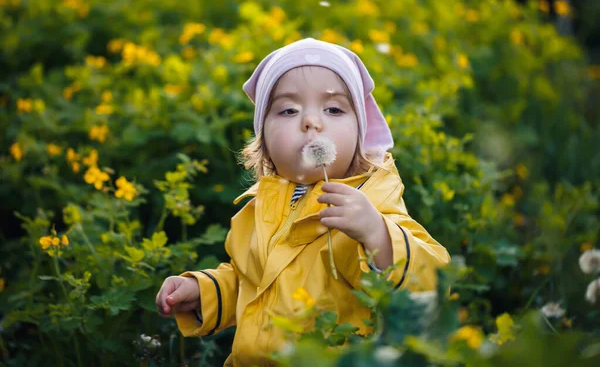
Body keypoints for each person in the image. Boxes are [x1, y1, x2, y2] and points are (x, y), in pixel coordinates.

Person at [156, 38, 451, 366]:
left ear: (361, 133)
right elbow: (253, 286)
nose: (311, 122)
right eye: (289, 110)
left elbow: (435, 281)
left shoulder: (372, 201)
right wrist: (204, 292)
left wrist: (378, 235)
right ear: (263, 139)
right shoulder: (259, 208)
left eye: (334, 109)